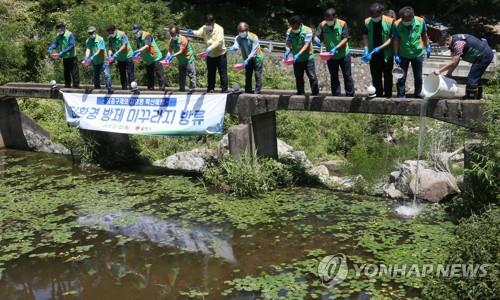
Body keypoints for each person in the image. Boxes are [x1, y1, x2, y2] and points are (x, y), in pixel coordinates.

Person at [434, 32, 494, 99]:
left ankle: (470, 99)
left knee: (471, 79)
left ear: (447, 39)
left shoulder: (458, 44)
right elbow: (456, 61)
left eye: (443, 43)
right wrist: (449, 73)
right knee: (476, 76)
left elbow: (454, 61)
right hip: (481, 55)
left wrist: (439, 71)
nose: (444, 45)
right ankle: (478, 96)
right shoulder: (453, 40)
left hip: (484, 55)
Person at [393, 6, 431, 98]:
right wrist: (396, 54)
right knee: (401, 77)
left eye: (408, 20)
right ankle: (401, 95)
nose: (406, 22)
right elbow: (396, 40)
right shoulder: (396, 24)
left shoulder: (421, 21)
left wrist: (427, 46)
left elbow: (424, 35)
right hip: (403, 54)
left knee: (418, 77)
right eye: (404, 20)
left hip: (417, 53)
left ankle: (418, 94)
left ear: (412, 17)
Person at [314, 8, 354, 96]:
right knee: (334, 76)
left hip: (344, 54)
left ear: (335, 17)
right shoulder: (322, 24)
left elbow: (345, 39)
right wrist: (316, 40)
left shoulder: (342, 24)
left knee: (347, 75)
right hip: (330, 56)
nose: (328, 21)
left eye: (330, 19)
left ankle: (350, 95)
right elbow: (316, 36)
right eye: (327, 19)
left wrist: (336, 48)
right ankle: (336, 96)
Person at [187, 14, 228, 93]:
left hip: (220, 54)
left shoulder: (219, 29)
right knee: (210, 73)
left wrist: (209, 48)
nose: (208, 25)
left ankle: (224, 90)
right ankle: (210, 89)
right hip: (210, 55)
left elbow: (218, 42)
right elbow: (199, 32)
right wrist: (192, 32)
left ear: (214, 22)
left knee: (222, 73)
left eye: (209, 24)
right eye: (206, 24)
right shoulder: (204, 27)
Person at [362, 3, 394, 98]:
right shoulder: (367, 22)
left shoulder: (390, 21)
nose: (374, 17)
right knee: (375, 75)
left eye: (376, 16)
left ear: (382, 13)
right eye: (372, 15)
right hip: (373, 54)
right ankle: (378, 95)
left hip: (386, 53)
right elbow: (365, 36)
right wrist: (366, 48)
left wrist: (380, 47)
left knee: (388, 75)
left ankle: (388, 95)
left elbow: (392, 38)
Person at [285, 15, 319, 96]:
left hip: (308, 58)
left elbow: (306, 44)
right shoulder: (289, 31)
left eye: (295, 27)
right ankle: (300, 93)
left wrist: (298, 54)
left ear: (299, 24)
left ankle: (315, 94)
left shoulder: (308, 30)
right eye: (292, 27)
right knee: (298, 77)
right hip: (296, 59)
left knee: (312, 76)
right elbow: (288, 43)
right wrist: (287, 50)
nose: (294, 29)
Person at [228, 22, 264, 94]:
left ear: (247, 30)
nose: (241, 33)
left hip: (257, 57)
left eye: (243, 31)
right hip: (247, 58)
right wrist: (232, 48)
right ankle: (248, 91)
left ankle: (257, 91)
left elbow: (254, 51)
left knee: (257, 74)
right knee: (248, 74)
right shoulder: (238, 37)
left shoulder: (254, 37)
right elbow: (236, 46)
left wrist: (247, 60)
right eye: (240, 31)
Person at [47, 22, 80, 88]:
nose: (59, 31)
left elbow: (71, 46)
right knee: (66, 72)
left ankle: (76, 86)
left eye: (60, 30)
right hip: (65, 58)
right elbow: (55, 43)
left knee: (74, 73)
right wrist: (51, 47)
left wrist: (63, 52)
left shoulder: (70, 35)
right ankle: (67, 86)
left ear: (64, 28)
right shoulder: (58, 35)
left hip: (72, 57)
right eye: (58, 30)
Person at [132, 24, 164, 90]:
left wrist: (138, 51)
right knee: (149, 76)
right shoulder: (138, 39)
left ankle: (162, 89)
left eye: (137, 32)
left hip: (156, 58)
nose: (136, 33)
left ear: (141, 30)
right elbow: (140, 49)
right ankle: (150, 89)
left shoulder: (147, 35)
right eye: (134, 32)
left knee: (159, 74)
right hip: (148, 60)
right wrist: (137, 55)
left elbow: (147, 46)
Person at [164, 26, 196, 92]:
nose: (172, 35)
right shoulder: (172, 40)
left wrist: (172, 56)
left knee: (191, 74)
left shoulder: (183, 39)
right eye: (171, 33)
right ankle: (181, 89)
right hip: (181, 60)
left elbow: (181, 51)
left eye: (173, 33)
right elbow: (169, 50)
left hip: (188, 59)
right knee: (181, 75)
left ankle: (192, 88)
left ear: (177, 32)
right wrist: (167, 57)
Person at [106, 25, 135, 90]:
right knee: (122, 73)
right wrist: (109, 54)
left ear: (115, 30)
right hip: (120, 58)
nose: (110, 34)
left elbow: (124, 45)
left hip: (128, 56)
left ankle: (132, 88)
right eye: (109, 33)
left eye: (111, 33)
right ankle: (124, 88)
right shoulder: (110, 38)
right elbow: (110, 48)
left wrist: (116, 53)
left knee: (130, 73)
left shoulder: (122, 34)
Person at [84, 26, 112, 91]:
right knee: (96, 75)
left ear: (95, 32)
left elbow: (100, 50)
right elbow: (88, 49)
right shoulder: (88, 40)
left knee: (107, 74)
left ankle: (109, 88)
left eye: (92, 33)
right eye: (89, 33)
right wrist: (86, 57)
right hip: (95, 61)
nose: (90, 34)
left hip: (103, 59)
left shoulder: (100, 39)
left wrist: (92, 57)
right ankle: (97, 89)